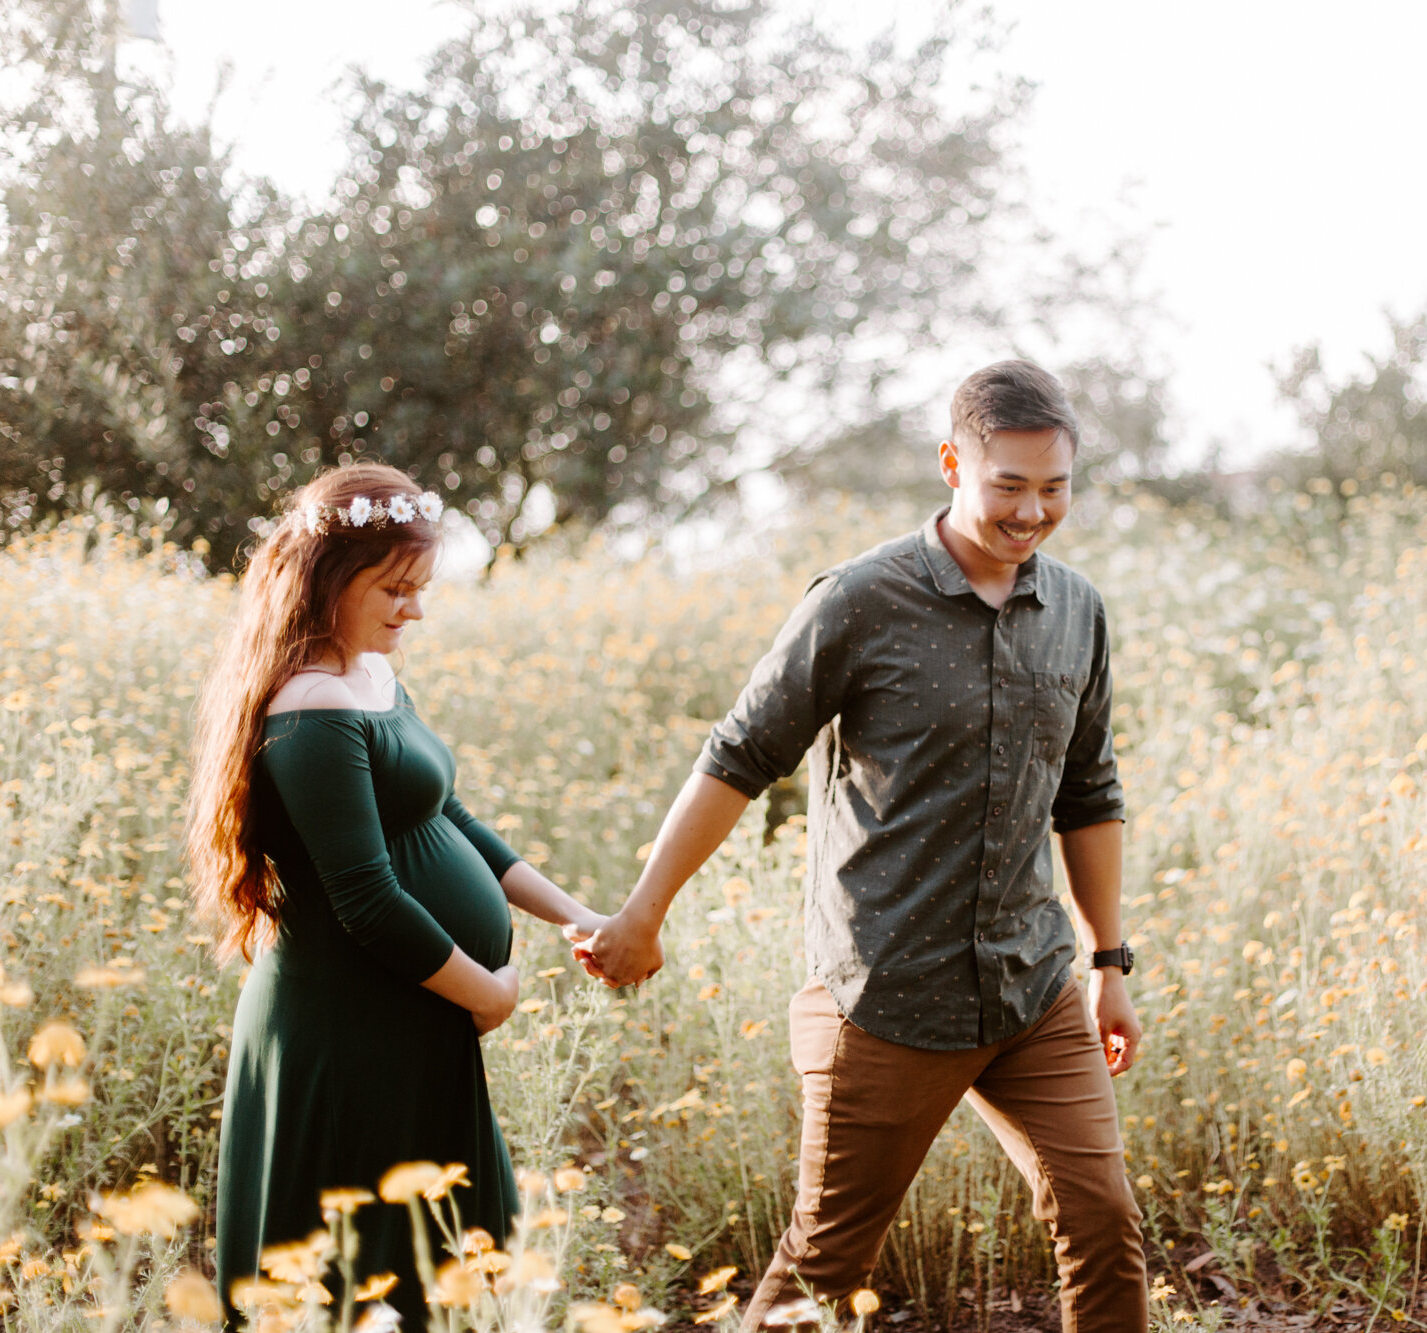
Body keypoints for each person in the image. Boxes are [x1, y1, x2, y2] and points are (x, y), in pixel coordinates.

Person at [572, 360, 1149, 1333]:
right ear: (950, 464)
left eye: (1053, 487)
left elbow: (1087, 790)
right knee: (824, 1268)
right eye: (1007, 484)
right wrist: (642, 910)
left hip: (1029, 987)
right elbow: (736, 757)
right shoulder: (859, 601)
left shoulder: (1077, 612)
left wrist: (1107, 962)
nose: (1032, 511)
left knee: (1102, 1224)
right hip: (884, 998)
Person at [186, 464, 606, 1325]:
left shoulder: (373, 679)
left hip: (409, 1013)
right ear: (326, 581)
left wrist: (574, 914)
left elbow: (449, 819)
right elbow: (366, 897)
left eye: (419, 588)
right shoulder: (309, 709)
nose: (413, 609)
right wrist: (486, 992)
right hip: (349, 1032)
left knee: (435, 1256)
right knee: (360, 1268)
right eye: (394, 588)